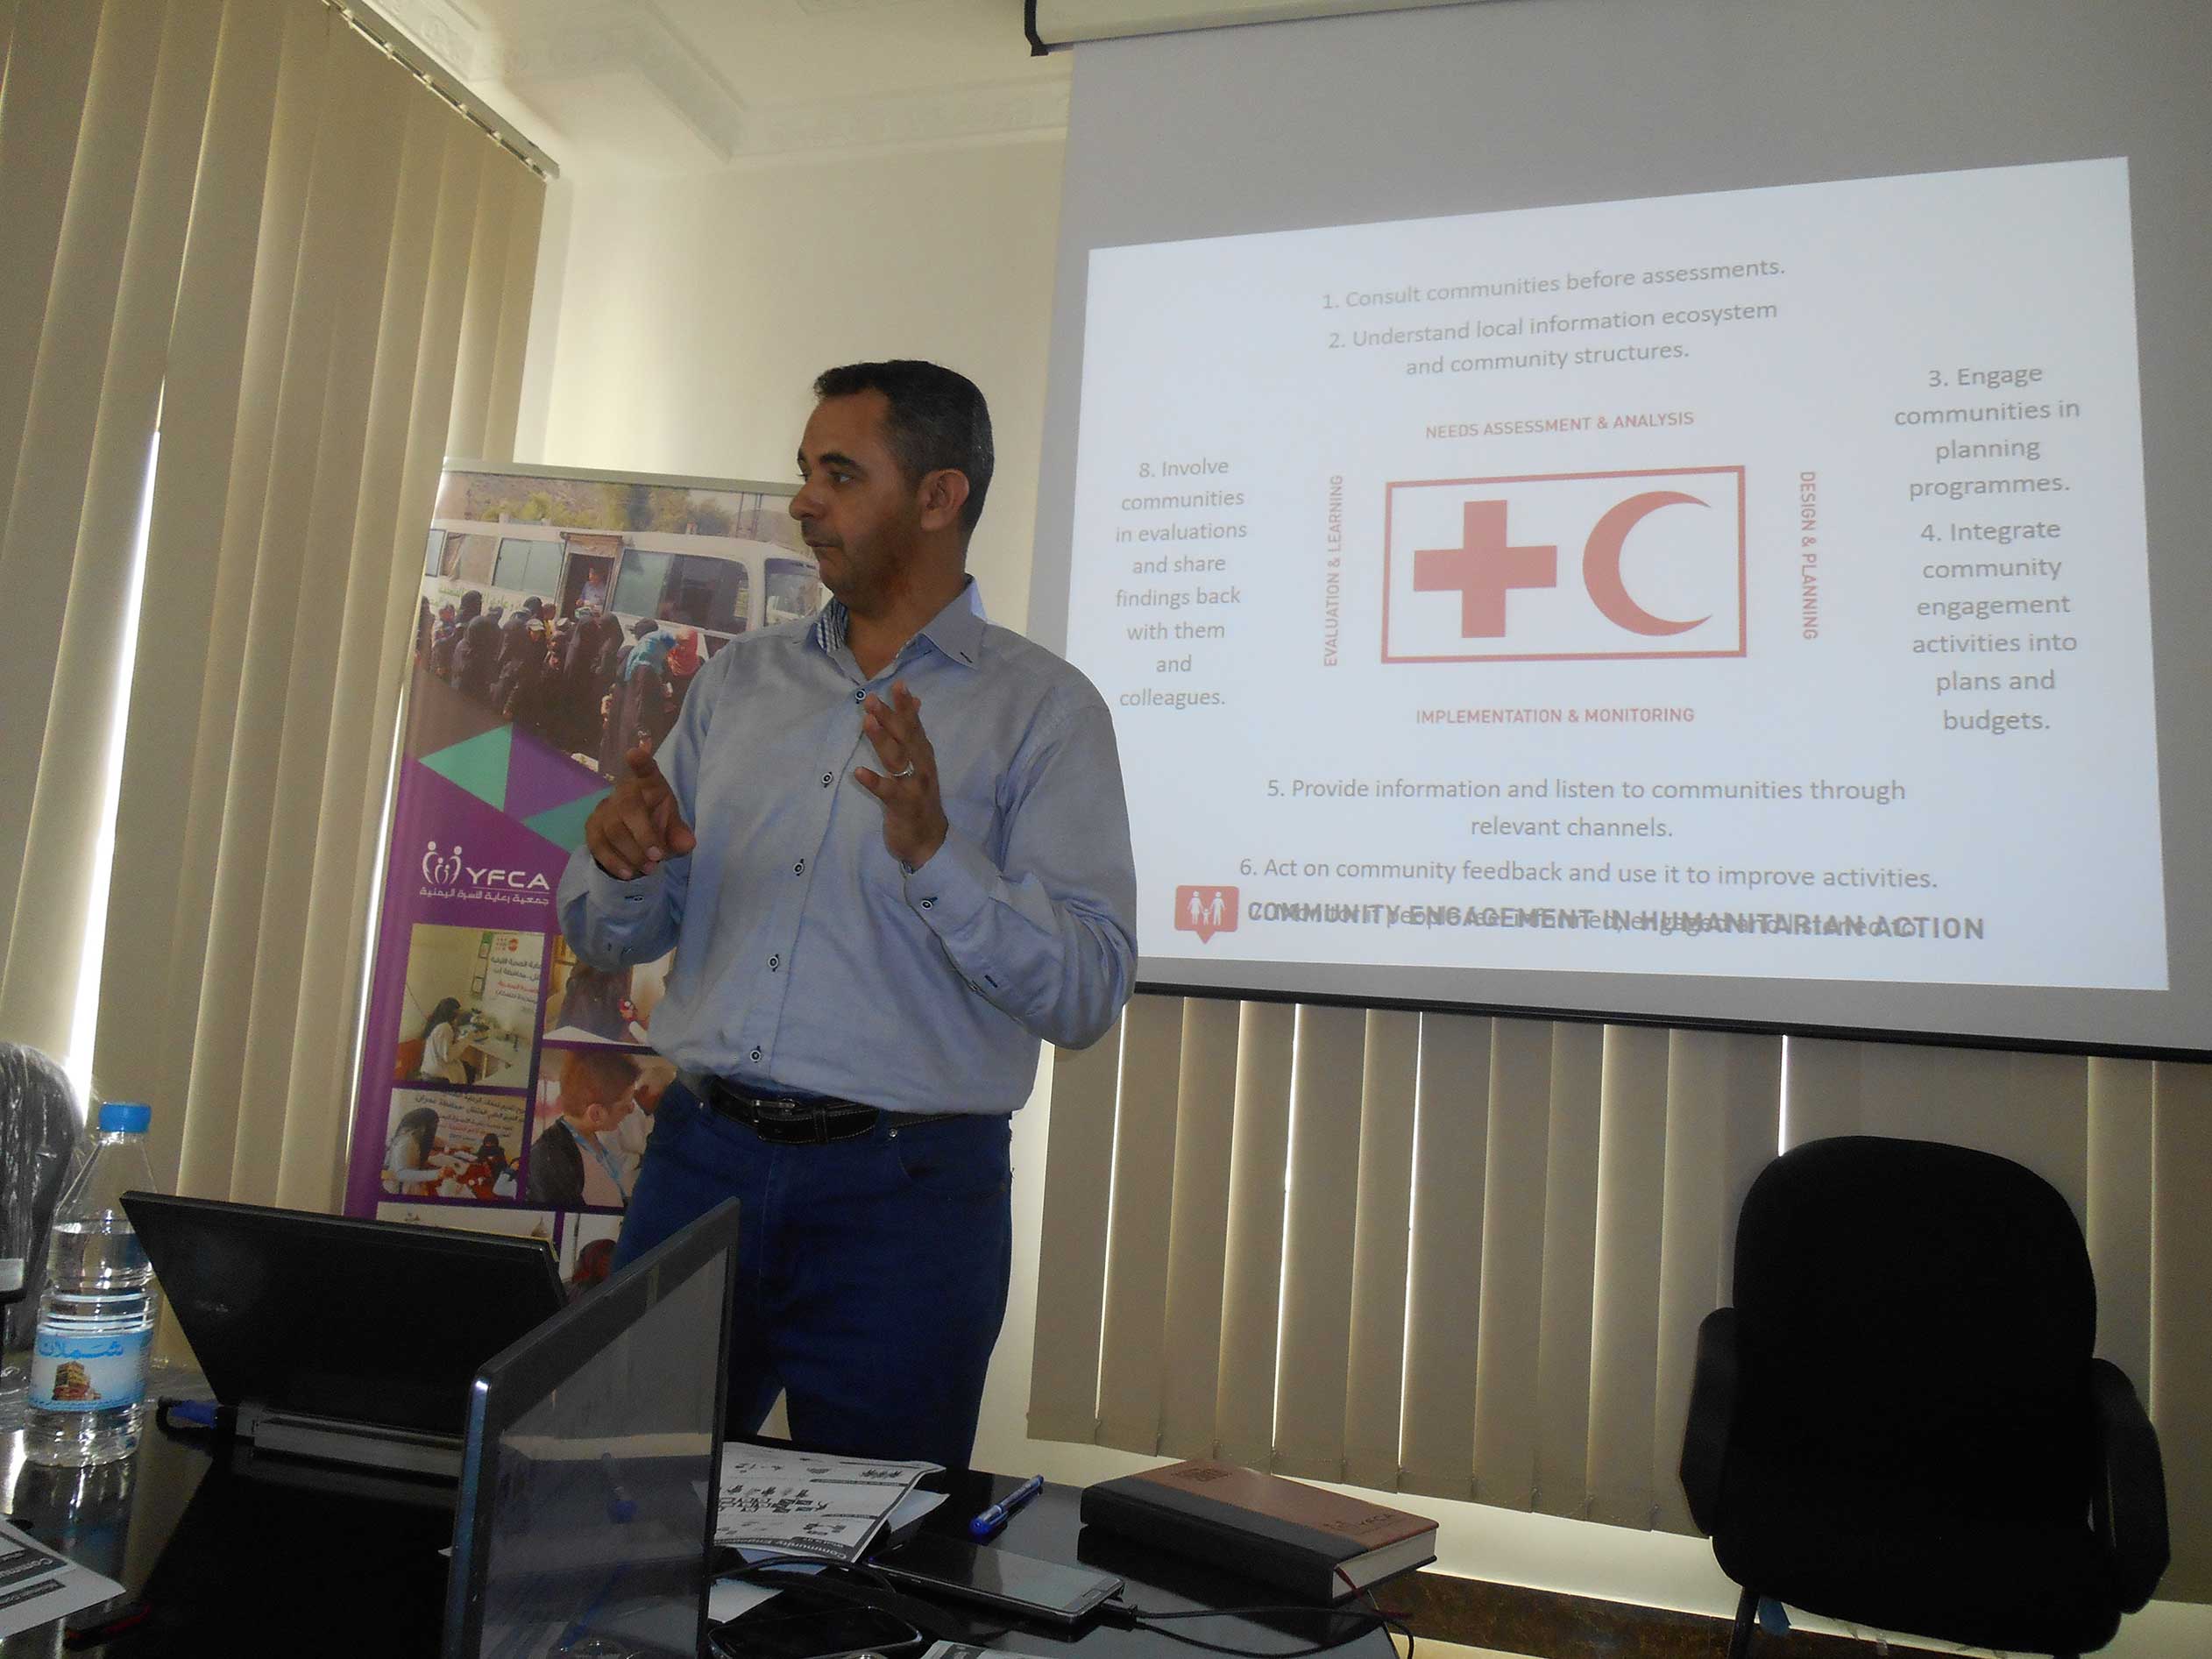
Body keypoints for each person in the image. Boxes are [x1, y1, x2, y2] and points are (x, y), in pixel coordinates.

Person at [557, 359, 1136, 1468]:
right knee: (623, 1499)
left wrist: (937, 855)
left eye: (839, 473)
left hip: (904, 1204)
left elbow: (1088, 992)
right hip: (698, 1168)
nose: (802, 502)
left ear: (939, 496)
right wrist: (623, 864)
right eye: (804, 472)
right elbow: (609, 935)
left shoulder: (1045, 712)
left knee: (883, 1544)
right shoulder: (738, 684)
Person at [525, 1049, 643, 1209]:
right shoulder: (549, 1159)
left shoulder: (588, 1136)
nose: (631, 1110)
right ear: (596, 1113)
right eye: (625, 1106)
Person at [384, 1105, 443, 1196]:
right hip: (399, 1191)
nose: (434, 1129)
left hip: (411, 1184)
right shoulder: (406, 1142)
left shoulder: (417, 1136)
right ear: (422, 1126)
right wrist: (437, 1174)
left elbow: (436, 1140)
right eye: (433, 1125)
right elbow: (401, 1174)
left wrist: (457, 1146)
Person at [415, 998, 468, 1083]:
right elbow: (448, 1057)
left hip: (429, 1069)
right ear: (453, 1012)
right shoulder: (445, 1027)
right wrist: (465, 1041)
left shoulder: (436, 1023)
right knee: (467, 1070)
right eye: (458, 1011)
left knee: (464, 1067)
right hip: (437, 1075)